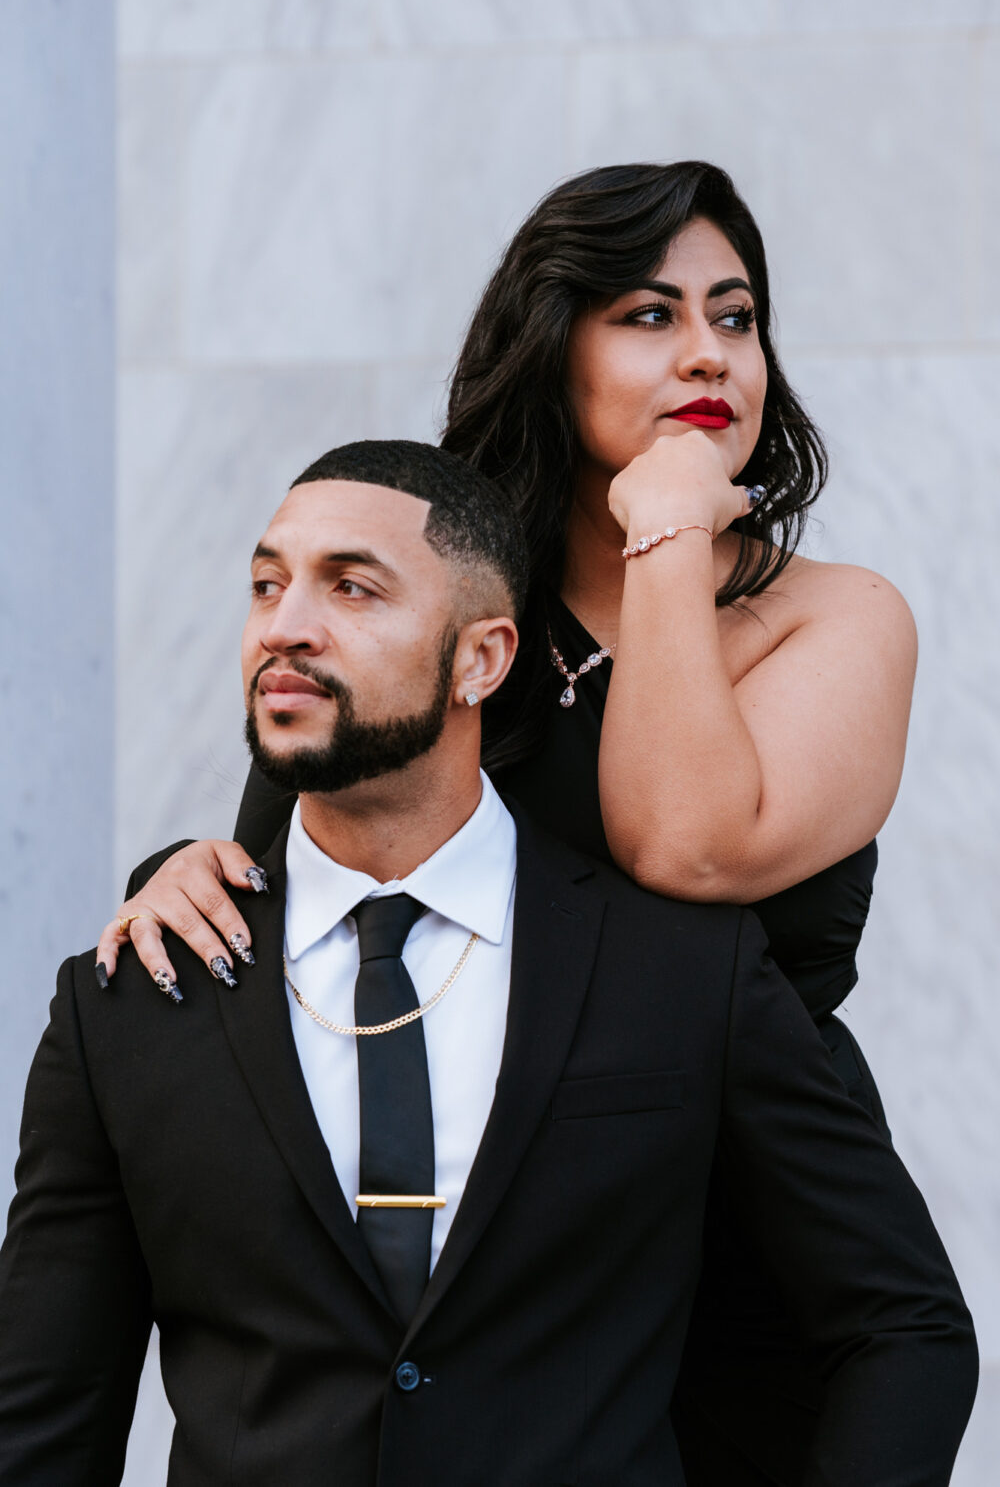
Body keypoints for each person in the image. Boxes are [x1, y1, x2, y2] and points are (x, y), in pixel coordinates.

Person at [95, 164, 934, 1480]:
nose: (709, 352)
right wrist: (177, 871)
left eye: (737, 314)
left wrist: (662, 536)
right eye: (649, 315)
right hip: (497, 1271)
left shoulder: (840, 617)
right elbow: (291, 880)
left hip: (759, 1251)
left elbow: (685, 843)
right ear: (554, 343)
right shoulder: (442, 618)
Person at [0, 442, 977, 1485]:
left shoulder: (686, 975)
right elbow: (43, 1421)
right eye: (266, 585)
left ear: (482, 660)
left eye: (352, 588)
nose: (284, 626)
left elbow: (905, 1328)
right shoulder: (131, 998)